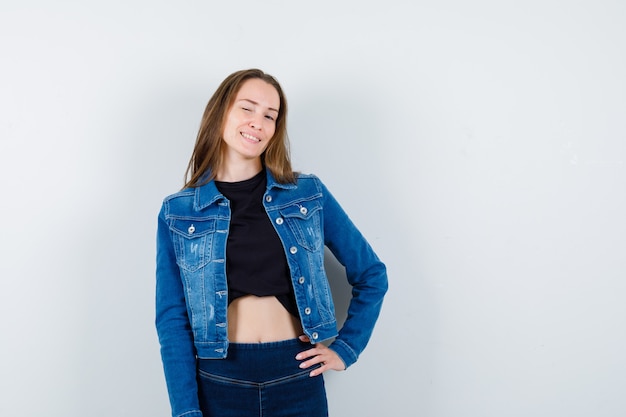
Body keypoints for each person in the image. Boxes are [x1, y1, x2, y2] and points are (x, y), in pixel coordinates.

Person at [155, 68, 388, 417]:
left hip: (295, 376)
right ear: (221, 112)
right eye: (247, 108)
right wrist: (186, 410)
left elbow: (372, 274)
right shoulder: (180, 211)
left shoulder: (307, 194)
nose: (258, 123)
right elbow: (172, 319)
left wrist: (346, 348)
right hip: (219, 380)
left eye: (270, 116)